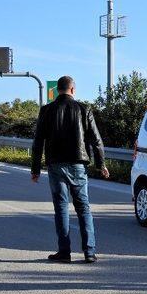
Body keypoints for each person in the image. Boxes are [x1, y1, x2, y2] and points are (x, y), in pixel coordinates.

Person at [31, 76, 110, 263]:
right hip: (78, 164)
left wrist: (35, 169)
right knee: (83, 207)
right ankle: (89, 252)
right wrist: (101, 165)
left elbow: (38, 142)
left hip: (55, 164)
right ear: (73, 90)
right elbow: (96, 140)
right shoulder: (84, 109)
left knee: (61, 208)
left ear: (57, 90)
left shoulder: (47, 110)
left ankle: (64, 252)